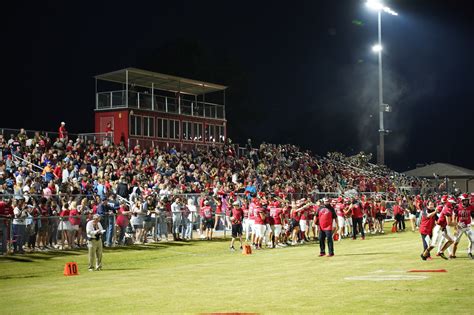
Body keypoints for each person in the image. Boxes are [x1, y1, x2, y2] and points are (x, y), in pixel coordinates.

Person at [451, 194, 473, 259]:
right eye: (465, 200)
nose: (467, 201)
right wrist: (455, 226)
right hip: (460, 226)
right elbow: (454, 216)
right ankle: (453, 254)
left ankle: (469, 252)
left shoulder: (471, 207)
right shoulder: (457, 207)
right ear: (462, 200)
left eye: (467, 200)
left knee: (472, 240)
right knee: (455, 242)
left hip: (468, 227)